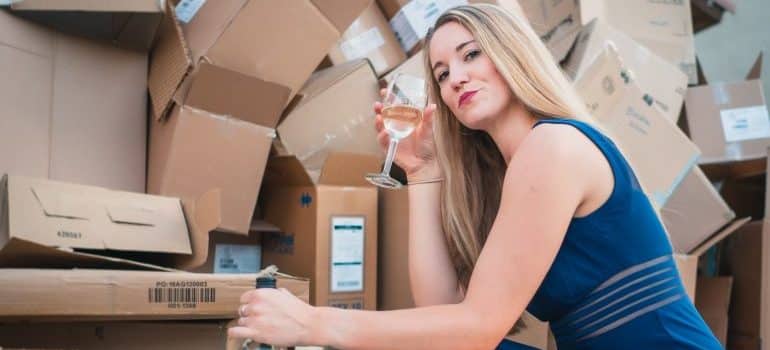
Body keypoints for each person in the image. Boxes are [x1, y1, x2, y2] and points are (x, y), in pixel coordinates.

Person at [228, 4, 721, 349]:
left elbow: (477, 329)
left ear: (511, 54)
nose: (456, 78)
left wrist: (314, 322)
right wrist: (423, 171)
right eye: (441, 74)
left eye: (470, 55)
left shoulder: (553, 146)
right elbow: (440, 310)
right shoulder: (510, 173)